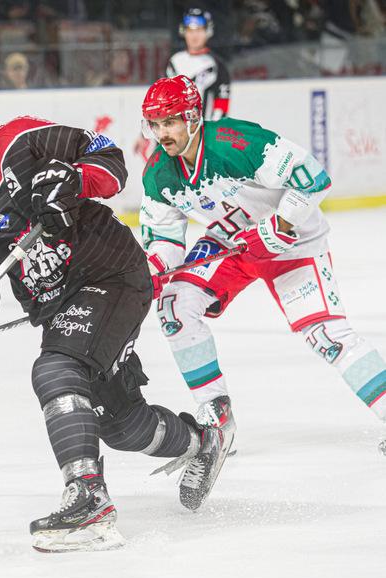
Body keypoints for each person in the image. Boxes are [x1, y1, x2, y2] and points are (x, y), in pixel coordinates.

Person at [0, 81, 231, 552]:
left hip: (111, 272)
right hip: (60, 307)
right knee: (121, 426)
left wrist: (73, 179)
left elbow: (110, 162)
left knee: (55, 370)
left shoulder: (19, 140)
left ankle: (88, 498)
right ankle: (203, 442)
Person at [140, 75, 386, 453]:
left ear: (192, 117)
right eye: (155, 124)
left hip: (293, 242)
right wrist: (154, 270)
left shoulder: (236, 142)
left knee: (327, 336)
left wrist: (281, 224)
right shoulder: (159, 172)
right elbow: (164, 240)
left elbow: (313, 177)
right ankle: (216, 415)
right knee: (174, 305)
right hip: (232, 243)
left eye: (169, 122)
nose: (162, 134)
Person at [166, 8, 231, 120]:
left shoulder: (216, 64)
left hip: (206, 128)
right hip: (178, 129)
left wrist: (213, 127)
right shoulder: (174, 61)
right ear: (183, 31)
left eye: (199, 30)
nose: (194, 35)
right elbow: (165, 99)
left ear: (208, 31)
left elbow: (222, 102)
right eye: (190, 30)